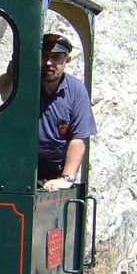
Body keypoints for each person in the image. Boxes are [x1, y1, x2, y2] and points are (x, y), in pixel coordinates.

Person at [38, 33, 96, 191]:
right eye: (44, 56)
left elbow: (78, 138)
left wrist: (66, 178)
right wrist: (13, 71)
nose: (48, 62)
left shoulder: (76, 90)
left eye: (56, 57)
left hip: (55, 172)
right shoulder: (25, 84)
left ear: (67, 60)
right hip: (23, 167)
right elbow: (3, 88)